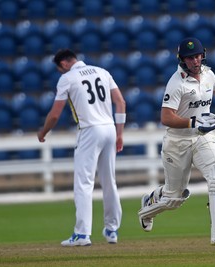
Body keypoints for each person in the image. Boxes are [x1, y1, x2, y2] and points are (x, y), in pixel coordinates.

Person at [137, 37, 215, 246]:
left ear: (203, 55)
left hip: (203, 136)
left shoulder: (208, 74)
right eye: (190, 58)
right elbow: (166, 117)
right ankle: (147, 207)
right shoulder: (176, 83)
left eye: (198, 56)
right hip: (177, 141)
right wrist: (193, 122)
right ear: (182, 60)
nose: (195, 61)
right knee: (174, 199)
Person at [37, 49, 126, 246]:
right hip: (110, 128)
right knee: (109, 180)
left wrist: (43, 132)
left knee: (83, 183)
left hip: (89, 130)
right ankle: (112, 229)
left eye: (60, 70)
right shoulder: (103, 72)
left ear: (63, 65)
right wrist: (119, 133)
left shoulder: (67, 78)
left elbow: (54, 115)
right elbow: (120, 102)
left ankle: (82, 234)